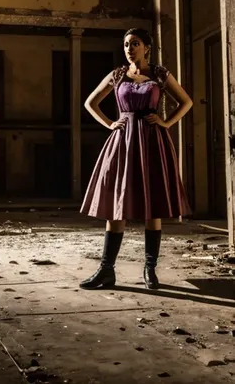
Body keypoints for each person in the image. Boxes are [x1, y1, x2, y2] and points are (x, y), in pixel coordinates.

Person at [79, 27, 193, 290]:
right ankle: (106, 270)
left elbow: (185, 102)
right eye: (126, 44)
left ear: (147, 48)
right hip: (123, 141)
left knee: (152, 204)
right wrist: (110, 124)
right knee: (118, 202)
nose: (130, 49)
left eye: (135, 44)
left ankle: (150, 271)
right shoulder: (118, 75)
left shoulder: (160, 74)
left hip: (153, 142)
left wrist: (166, 123)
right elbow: (90, 103)